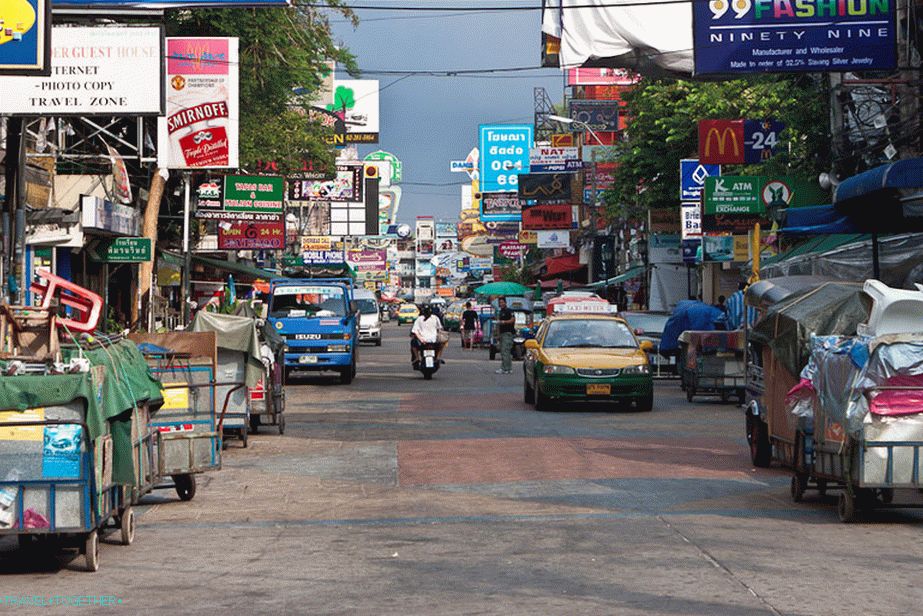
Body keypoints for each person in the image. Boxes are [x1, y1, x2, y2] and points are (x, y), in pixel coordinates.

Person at [495, 297, 515, 374]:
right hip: (502, 333)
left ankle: (506, 368)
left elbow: (512, 320)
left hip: (508, 333)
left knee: (505, 350)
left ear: (505, 303)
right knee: (503, 351)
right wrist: (498, 334)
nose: (501, 304)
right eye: (500, 303)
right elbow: (499, 324)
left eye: (502, 302)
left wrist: (504, 322)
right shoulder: (500, 312)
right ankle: (506, 368)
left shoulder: (509, 311)